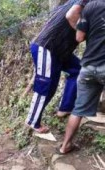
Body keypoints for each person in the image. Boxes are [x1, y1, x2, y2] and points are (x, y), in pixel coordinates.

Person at [25, 0, 90, 133]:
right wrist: (81, 33)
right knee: (46, 86)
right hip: (47, 47)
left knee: (78, 70)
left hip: (61, 51)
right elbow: (71, 15)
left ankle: (65, 107)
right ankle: (32, 121)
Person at [59, 0, 105, 154]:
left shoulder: (91, 6)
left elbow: (79, 37)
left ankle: (65, 146)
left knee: (77, 110)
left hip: (88, 66)